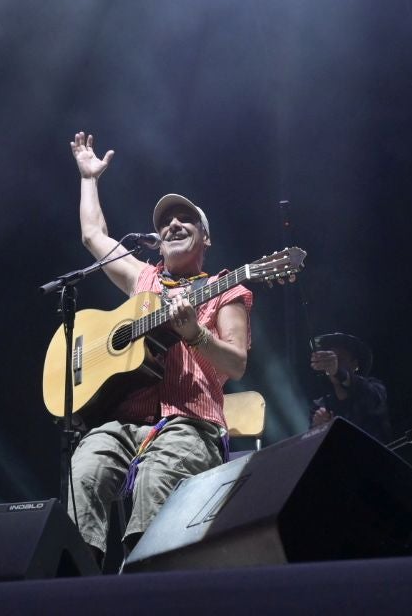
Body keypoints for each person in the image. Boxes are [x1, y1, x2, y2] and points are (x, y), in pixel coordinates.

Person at [67, 131, 253, 564]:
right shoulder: (143, 278)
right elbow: (93, 235)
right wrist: (89, 179)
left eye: (186, 219)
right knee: (85, 470)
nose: (173, 224)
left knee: (156, 480)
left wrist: (196, 334)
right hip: (123, 421)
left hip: (191, 425)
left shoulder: (227, 289)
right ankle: (75, 585)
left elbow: (237, 364)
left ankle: (144, 586)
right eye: (166, 221)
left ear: (205, 238)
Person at [309, 331, 392, 443]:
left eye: (340, 359)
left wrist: (338, 372)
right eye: (331, 360)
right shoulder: (320, 405)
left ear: (355, 364)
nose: (334, 364)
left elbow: (373, 398)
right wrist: (317, 430)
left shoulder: (374, 388)